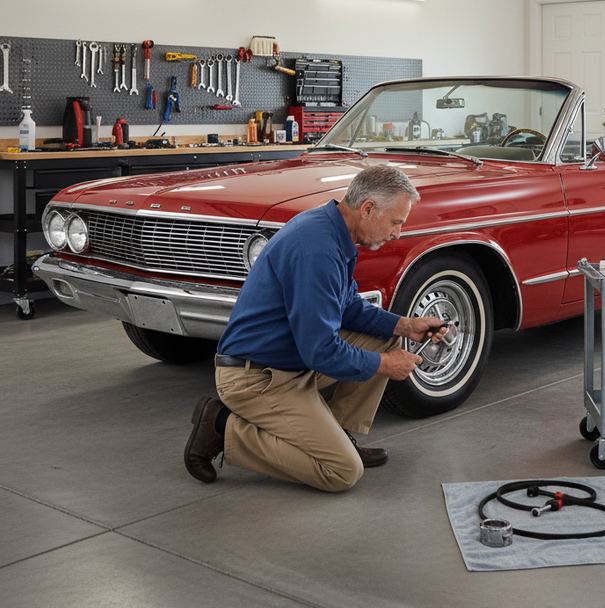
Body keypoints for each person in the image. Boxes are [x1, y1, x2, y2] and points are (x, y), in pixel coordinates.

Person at [183, 164, 446, 492]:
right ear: (367, 209)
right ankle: (222, 428)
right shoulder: (317, 250)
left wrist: (406, 325)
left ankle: (337, 434)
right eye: (395, 222)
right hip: (256, 379)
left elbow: (348, 306)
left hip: (287, 362)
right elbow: (321, 349)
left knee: (386, 337)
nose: (397, 233)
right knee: (341, 472)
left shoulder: (332, 231)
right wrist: (385, 365)